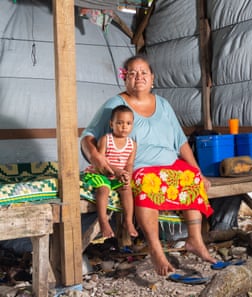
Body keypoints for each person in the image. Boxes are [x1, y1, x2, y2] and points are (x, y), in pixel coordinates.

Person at [80, 54, 217, 276]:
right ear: (125, 79)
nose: (139, 77)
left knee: (191, 178)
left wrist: (198, 171)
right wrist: (96, 156)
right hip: (138, 166)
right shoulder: (115, 104)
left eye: (144, 72)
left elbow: (180, 142)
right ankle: (155, 250)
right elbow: (88, 137)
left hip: (170, 163)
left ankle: (195, 240)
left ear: (152, 78)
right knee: (148, 183)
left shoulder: (163, 104)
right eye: (132, 73)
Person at [82, 104, 138, 239]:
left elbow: (129, 164)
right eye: (119, 123)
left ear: (132, 125)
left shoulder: (132, 144)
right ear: (111, 124)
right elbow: (101, 162)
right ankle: (103, 221)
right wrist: (117, 171)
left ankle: (128, 221)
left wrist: (127, 176)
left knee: (127, 189)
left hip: (116, 176)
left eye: (128, 123)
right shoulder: (106, 140)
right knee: (103, 188)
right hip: (100, 173)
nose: (124, 126)